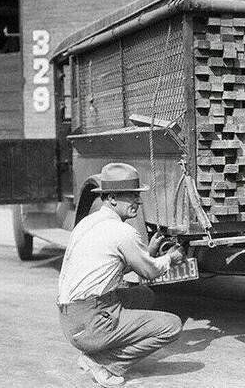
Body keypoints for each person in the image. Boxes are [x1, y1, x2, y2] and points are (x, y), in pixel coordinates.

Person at [57, 163, 186, 387]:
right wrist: (170, 259)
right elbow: (149, 271)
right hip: (90, 321)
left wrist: (150, 252)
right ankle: (105, 363)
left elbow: (114, 265)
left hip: (70, 318)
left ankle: (96, 349)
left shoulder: (88, 223)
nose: (138, 201)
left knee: (143, 295)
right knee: (172, 326)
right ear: (113, 198)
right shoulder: (123, 231)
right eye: (132, 196)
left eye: (137, 195)